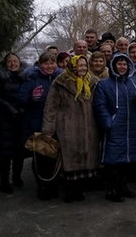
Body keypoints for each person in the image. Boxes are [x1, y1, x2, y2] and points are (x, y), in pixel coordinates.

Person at [42, 55, 100, 202]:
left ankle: (80, 189)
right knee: (69, 158)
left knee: (85, 156)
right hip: (67, 127)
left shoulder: (92, 81)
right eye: (79, 66)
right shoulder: (60, 82)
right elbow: (51, 108)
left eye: (84, 66)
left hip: (88, 126)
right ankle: (69, 190)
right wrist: (48, 130)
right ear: (72, 66)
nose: (82, 68)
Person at [93, 53, 136, 202]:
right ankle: (112, 190)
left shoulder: (133, 82)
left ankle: (123, 186)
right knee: (113, 161)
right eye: (119, 64)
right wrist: (108, 122)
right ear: (113, 65)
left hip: (131, 126)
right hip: (114, 127)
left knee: (127, 161)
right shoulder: (104, 84)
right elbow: (100, 106)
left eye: (125, 64)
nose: (122, 67)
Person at [19, 52, 62, 199]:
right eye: (46, 63)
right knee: (40, 156)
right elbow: (21, 99)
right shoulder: (32, 78)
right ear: (40, 64)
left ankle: (53, 185)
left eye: (52, 63)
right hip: (36, 123)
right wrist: (32, 97)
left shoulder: (60, 78)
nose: (49, 66)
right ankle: (42, 186)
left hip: (57, 124)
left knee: (55, 156)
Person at [0, 53, 27, 193]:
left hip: (21, 117)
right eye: (9, 62)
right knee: (4, 152)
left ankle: (17, 177)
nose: (13, 64)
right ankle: (4, 181)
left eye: (15, 61)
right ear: (5, 64)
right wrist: (8, 107)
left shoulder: (25, 76)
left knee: (20, 150)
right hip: (3, 119)